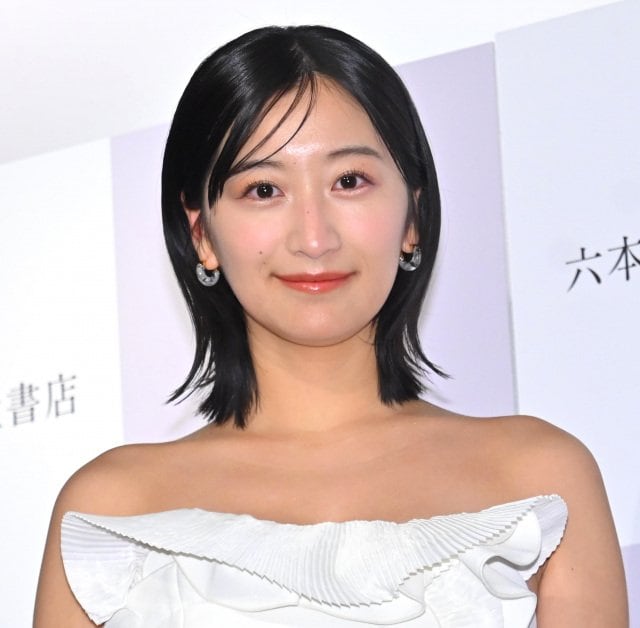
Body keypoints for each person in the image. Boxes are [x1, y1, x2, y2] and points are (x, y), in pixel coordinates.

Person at [33, 25, 627, 627]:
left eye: (349, 181)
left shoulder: (537, 478)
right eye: (264, 189)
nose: (314, 238)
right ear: (202, 235)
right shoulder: (111, 512)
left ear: (412, 216)